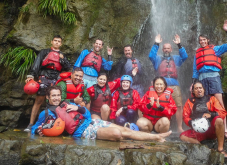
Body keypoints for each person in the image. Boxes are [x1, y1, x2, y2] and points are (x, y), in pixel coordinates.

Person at [31, 86, 172, 142]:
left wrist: (78, 108)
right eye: (53, 96)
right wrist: (38, 130)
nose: (56, 98)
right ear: (48, 98)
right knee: (118, 133)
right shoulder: (47, 113)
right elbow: (34, 128)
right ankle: (154, 138)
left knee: (125, 130)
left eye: (58, 95)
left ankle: (157, 137)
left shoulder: (67, 103)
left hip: (92, 122)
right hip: (83, 132)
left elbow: (87, 114)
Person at [191, 20, 227, 139]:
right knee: (203, 104)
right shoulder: (197, 53)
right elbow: (195, 70)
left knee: (220, 104)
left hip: (213, 77)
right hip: (201, 79)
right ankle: (206, 129)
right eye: (200, 40)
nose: (202, 42)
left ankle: (225, 130)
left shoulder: (215, 49)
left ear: (208, 40)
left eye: (204, 40)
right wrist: (194, 83)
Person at [24, 35, 70, 132]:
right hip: (44, 77)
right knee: (39, 101)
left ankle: (50, 124)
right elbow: (37, 63)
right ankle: (31, 124)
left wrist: (63, 59)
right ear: (51, 42)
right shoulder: (44, 52)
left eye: (59, 41)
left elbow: (67, 68)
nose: (57, 42)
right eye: (55, 40)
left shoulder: (62, 55)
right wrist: (31, 76)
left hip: (55, 79)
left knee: (53, 102)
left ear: (61, 44)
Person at [149, 34, 188, 133]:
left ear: (171, 49)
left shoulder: (176, 58)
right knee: (162, 105)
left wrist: (179, 45)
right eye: (164, 48)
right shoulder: (157, 59)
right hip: (161, 86)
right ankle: (162, 127)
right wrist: (156, 43)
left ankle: (179, 127)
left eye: (168, 48)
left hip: (174, 84)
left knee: (179, 105)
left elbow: (185, 56)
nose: (166, 50)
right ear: (162, 50)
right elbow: (151, 56)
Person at [180, 81, 227, 158]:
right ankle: (200, 145)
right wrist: (191, 123)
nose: (199, 90)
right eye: (196, 88)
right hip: (197, 131)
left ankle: (220, 149)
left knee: (219, 120)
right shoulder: (189, 101)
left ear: (203, 89)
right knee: (182, 136)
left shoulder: (212, 99)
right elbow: (185, 117)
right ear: (193, 91)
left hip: (210, 130)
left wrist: (211, 114)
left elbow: (222, 112)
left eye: (200, 88)